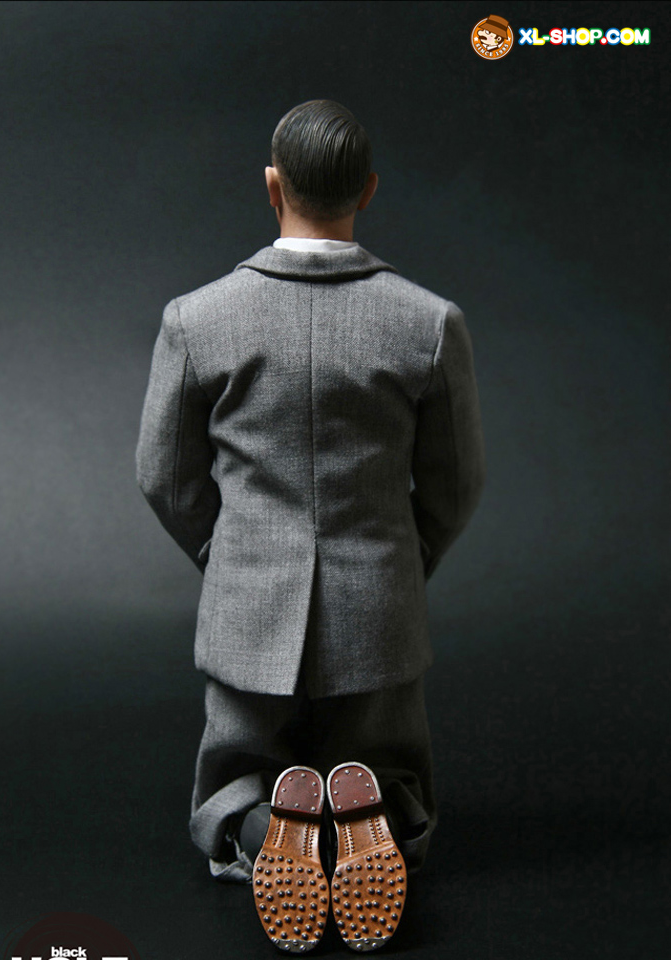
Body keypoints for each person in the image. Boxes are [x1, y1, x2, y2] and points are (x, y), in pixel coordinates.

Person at [136, 99, 485, 917]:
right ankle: (368, 822)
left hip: (247, 607)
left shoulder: (198, 319)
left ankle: (262, 827)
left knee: (237, 768)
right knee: (387, 767)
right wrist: (402, 559)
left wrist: (228, 556)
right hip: (379, 604)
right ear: (368, 189)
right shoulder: (429, 322)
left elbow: (164, 477)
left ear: (272, 185)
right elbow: (456, 483)